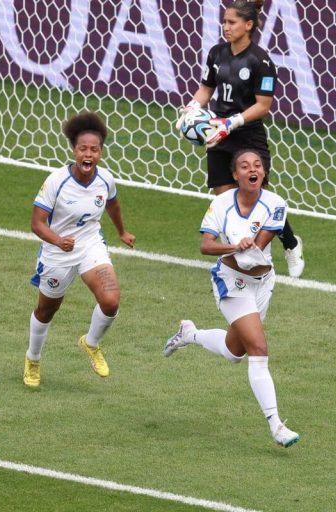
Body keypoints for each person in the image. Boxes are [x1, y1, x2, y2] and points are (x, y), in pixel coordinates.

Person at [163, 149, 300, 448]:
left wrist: (249, 245)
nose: (252, 169)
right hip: (231, 281)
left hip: (262, 282)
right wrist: (233, 246)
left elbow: (259, 247)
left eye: (257, 165)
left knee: (234, 352)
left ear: (263, 173)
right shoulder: (221, 205)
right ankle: (276, 426)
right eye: (244, 166)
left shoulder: (276, 204)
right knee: (258, 348)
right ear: (235, 174)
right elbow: (205, 245)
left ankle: (191, 334)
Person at [176, 0, 305, 278]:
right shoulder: (216, 53)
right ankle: (240, 255)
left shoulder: (261, 61)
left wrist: (231, 122)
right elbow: (205, 89)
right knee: (226, 201)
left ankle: (291, 244)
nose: (226, 27)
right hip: (219, 137)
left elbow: (263, 105)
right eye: (224, 22)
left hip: (247, 137)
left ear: (248, 25)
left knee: (258, 198)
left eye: (232, 22)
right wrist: (192, 108)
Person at [24, 111, 136, 388]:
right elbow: (37, 224)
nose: (88, 155)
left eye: (94, 150)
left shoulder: (105, 179)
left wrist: (121, 231)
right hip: (56, 252)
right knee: (46, 310)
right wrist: (57, 240)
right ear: (74, 150)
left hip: (89, 245)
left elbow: (112, 203)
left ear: (100, 152)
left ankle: (91, 343)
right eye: (83, 149)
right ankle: (33, 358)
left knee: (111, 301)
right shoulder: (56, 181)